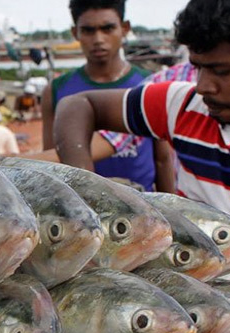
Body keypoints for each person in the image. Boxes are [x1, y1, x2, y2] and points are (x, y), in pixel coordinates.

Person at [53, 0, 230, 289]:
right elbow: (78, 105)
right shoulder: (185, 107)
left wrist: (227, 257)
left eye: (221, 71)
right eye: (198, 67)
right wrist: (83, 190)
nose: (203, 85)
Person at [41, 0, 174, 193]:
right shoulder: (56, 90)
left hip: (143, 203)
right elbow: (50, 162)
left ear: (124, 28)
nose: (98, 39)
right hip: (85, 204)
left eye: (108, 28)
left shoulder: (150, 85)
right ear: (75, 33)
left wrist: (170, 207)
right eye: (88, 30)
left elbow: (162, 158)